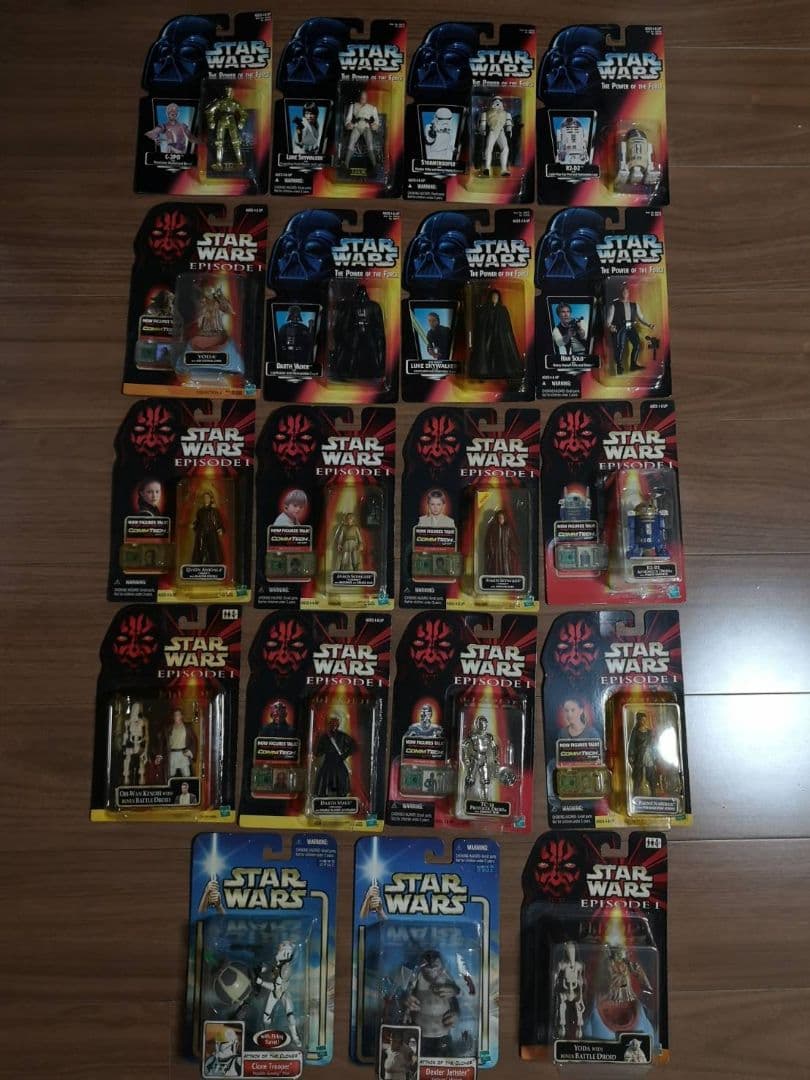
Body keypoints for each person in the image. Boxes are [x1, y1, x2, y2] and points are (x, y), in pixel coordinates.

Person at [469, 289, 522, 381]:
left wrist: (503, 334)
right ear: (490, 298)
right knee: (486, 352)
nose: (495, 298)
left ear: (498, 298)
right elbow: (481, 323)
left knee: (501, 354)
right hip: (488, 336)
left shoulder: (503, 310)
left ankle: (502, 372)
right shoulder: (485, 309)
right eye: (493, 297)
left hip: (500, 336)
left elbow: (506, 326)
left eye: (496, 297)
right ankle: (484, 372)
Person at [606, 284, 654, 373]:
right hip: (620, 327)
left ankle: (633, 365)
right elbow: (608, 321)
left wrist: (649, 324)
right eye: (623, 291)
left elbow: (641, 318)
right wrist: (610, 327)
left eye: (626, 291)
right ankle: (619, 366)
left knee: (637, 344)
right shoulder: (614, 305)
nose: (625, 293)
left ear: (628, 293)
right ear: (620, 293)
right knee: (620, 346)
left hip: (630, 326)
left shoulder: (634, 305)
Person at [313, 709, 357, 797]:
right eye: (331, 722)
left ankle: (342, 795)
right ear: (329, 723)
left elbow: (353, 746)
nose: (333, 724)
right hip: (328, 762)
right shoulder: (324, 737)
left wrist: (345, 755)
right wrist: (317, 745)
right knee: (323, 782)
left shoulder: (343, 736)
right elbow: (318, 753)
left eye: (335, 722)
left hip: (339, 761)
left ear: (338, 723)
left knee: (342, 781)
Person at [343, 89, 380, 168]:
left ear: (367, 98)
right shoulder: (353, 106)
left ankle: (375, 165)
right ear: (359, 97)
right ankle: (346, 164)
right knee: (351, 142)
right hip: (356, 126)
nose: (363, 99)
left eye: (364, 97)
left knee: (370, 144)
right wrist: (348, 124)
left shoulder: (372, 107)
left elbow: (376, 119)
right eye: (362, 97)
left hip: (366, 126)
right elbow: (348, 118)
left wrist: (375, 125)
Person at [478, 96, 512, 176]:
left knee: (505, 149)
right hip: (492, 131)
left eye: (499, 100)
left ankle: (503, 170)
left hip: (501, 132)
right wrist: (482, 130)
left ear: (502, 103)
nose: (497, 101)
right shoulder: (486, 113)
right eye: (495, 100)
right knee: (489, 148)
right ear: (492, 102)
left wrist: (509, 130)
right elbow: (482, 124)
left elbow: (509, 123)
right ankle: (487, 168)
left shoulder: (507, 114)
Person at [192, 491, 225, 564]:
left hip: (211, 531)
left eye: (207, 497)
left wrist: (219, 528)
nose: (206, 499)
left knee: (212, 547)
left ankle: (213, 562)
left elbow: (216, 520)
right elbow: (197, 521)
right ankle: (200, 561)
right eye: (205, 498)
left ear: (210, 499)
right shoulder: (200, 511)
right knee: (201, 548)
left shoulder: (214, 511)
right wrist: (194, 526)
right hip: (202, 532)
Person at [484, 510, 520, 576]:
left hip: (505, 553)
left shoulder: (508, 528)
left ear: (504, 518)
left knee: (506, 568)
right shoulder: (493, 528)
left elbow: (511, 540)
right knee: (495, 568)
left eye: (502, 518)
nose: (500, 519)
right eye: (499, 518)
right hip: (496, 553)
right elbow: (489, 540)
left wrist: (513, 550)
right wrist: (491, 550)